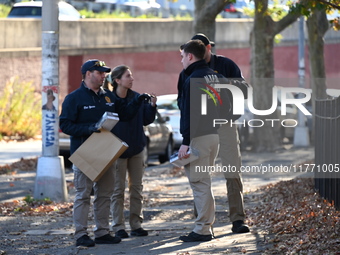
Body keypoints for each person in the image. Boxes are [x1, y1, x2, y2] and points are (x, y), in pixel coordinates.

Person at [59, 59, 150, 247]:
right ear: (87, 74)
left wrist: (137, 102)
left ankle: (102, 232)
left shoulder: (108, 96)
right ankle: (81, 234)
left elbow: (124, 114)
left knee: (105, 194)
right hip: (85, 152)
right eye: (100, 73)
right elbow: (65, 125)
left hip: (106, 152)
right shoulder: (74, 98)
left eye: (104, 73)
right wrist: (90, 128)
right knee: (83, 195)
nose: (103, 76)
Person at [178, 33, 250, 234]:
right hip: (201, 127)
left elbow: (244, 91)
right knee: (199, 173)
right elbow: (182, 100)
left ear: (208, 47)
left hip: (225, 124)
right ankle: (201, 220)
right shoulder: (186, 71)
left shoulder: (226, 65)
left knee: (232, 169)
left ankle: (238, 218)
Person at [177, 39, 231, 242]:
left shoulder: (193, 79)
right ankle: (205, 226)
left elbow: (190, 114)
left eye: (182, 56)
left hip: (198, 138)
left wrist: (185, 141)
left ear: (190, 56)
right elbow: (227, 106)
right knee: (204, 182)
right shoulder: (216, 77)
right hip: (213, 135)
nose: (181, 60)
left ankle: (202, 229)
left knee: (200, 183)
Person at [103, 65, 157, 238]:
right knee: (117, 190)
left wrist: (152, 106)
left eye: (132, 76)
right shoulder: (109, 99)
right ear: (117, 80)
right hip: (117, 150)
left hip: (136, 148)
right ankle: (118, 226)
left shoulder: (137, 97)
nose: (132, 79)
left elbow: (146, 120)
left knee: (137, 188)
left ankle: (136, 224)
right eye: (128, 76)